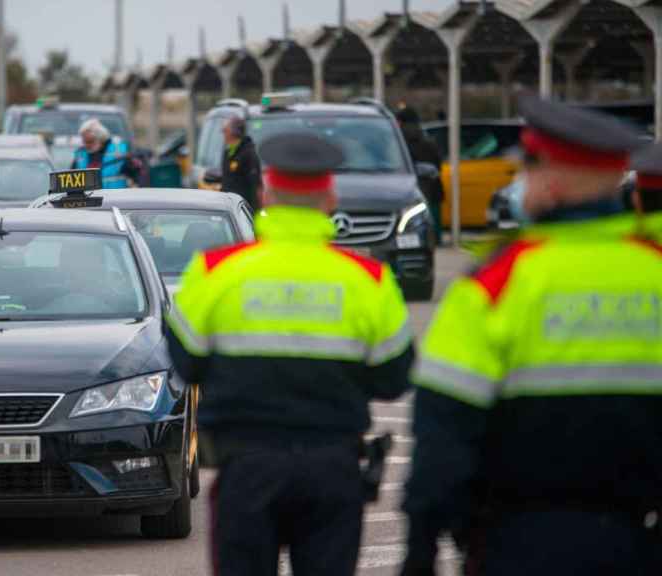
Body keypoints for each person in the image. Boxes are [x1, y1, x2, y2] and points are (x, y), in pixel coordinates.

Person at [401, 94, 660, 576]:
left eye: (530, 168)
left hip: (518, 544)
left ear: (555, 183)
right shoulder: (654, 270)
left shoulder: (495, 283)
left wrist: (421, 548)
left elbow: (443, 430)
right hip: (639, 543)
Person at [166, 132, 414, 576]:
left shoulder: (215, 270)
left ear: (265, 193)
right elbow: (395, 379)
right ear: (330, 198)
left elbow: (184, 364)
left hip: (246, 468)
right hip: (332, 469)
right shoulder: (369, 279)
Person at [397, 107, 444, 243]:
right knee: (434, 215)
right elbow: (438, 163)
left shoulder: (399, 140)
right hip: (433, 187)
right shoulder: (428, 139)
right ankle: (436, 239)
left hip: (411, 187)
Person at [71, 118, 139, 188]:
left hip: (116, 197)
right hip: (89, 197)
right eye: (84, 141)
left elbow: (136, 178)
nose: (86, 145)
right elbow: (72, 180)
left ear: (101, 138)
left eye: (90, 141)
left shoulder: (119, 152)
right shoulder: (80, 155)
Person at [219, 116, 262, 213]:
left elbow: (254, 185)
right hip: (228, 206)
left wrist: (253, 211)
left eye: (225, 130)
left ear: (234, 132)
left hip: (243, 208)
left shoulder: (248, 153)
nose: (223, 133)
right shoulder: (228, 152)